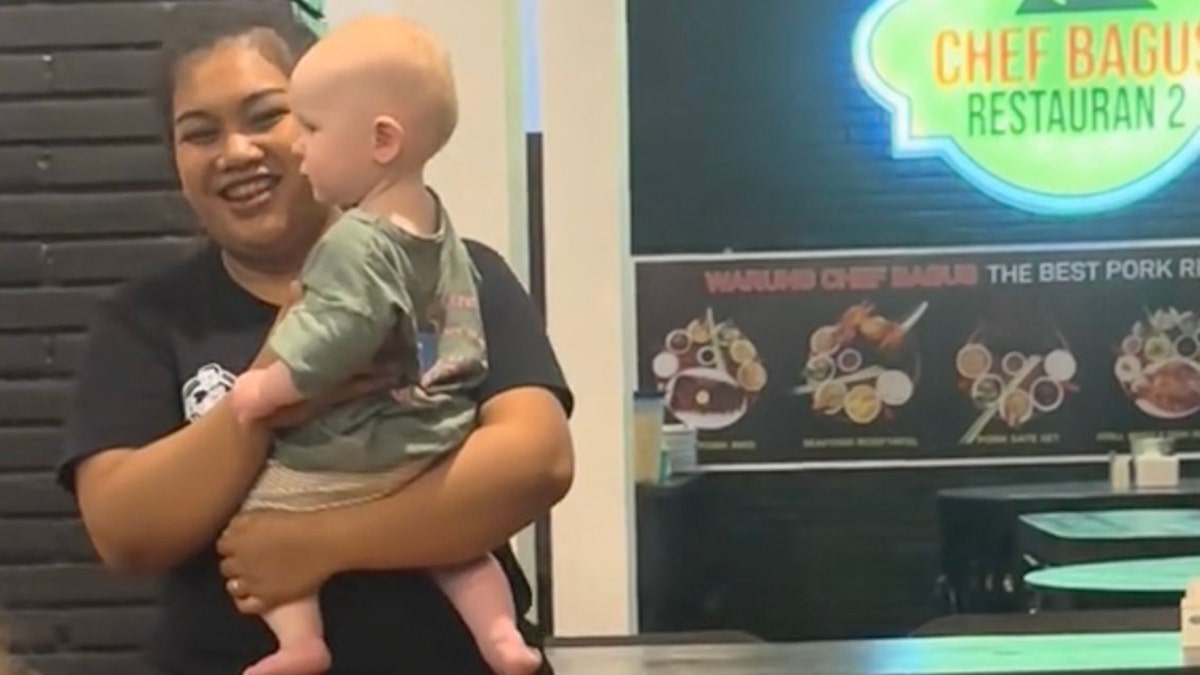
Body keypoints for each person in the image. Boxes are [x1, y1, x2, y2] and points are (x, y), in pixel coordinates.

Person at [55, 2, 574, 674]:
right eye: (199, 132)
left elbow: (534, 463)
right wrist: (275, 392)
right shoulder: (147, 319)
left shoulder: (455, 271)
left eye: (268, 115)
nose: (236, 151)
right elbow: (126, 529)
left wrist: (319, 541)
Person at [225, 14, 540, 675]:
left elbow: (335, 334)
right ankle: (502, 635)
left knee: (259, 510)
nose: (299, 149)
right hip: (438, 428)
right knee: (458, 548)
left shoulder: (355, 239)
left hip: (362, 442)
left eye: (310, 128)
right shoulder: (434, 225)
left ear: (382, 140)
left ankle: (300, 642)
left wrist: (265, 386)